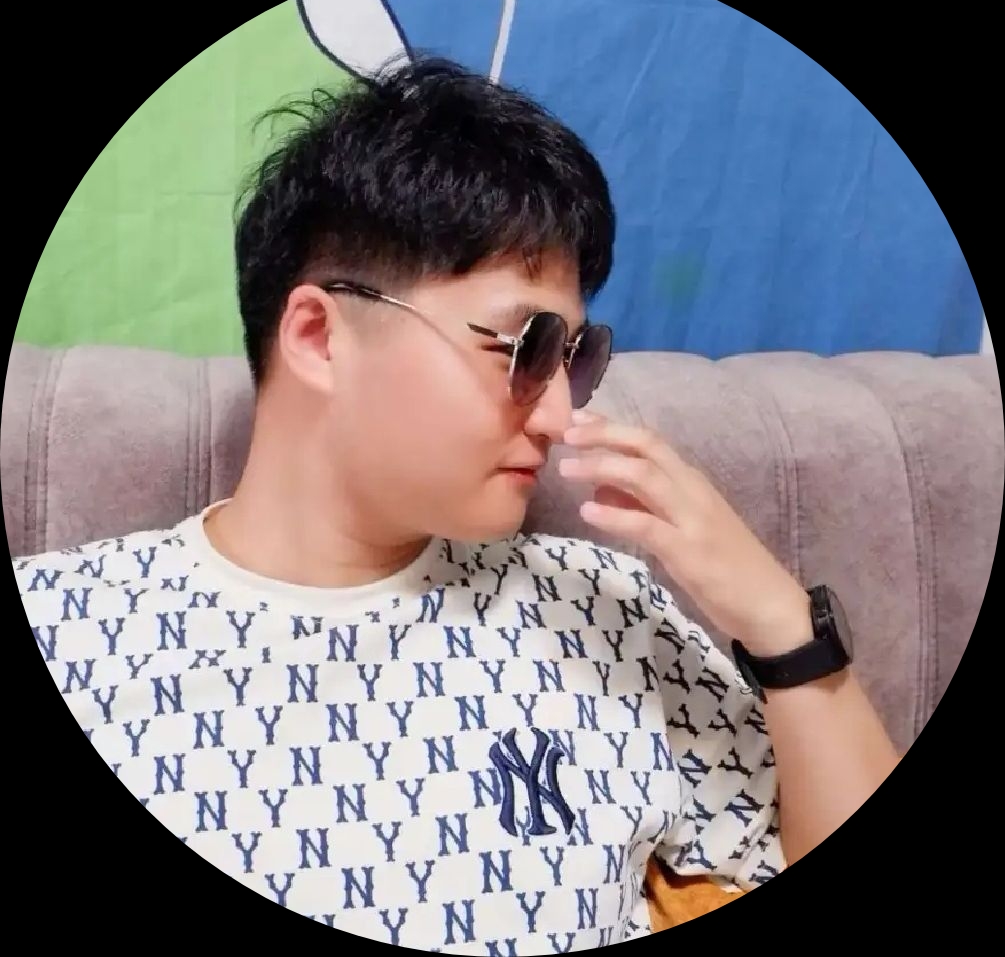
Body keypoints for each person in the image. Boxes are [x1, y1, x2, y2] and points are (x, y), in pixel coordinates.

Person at [17, 55, 899, 950]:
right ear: (319, 337)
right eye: (523, 347)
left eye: (574, 359)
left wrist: (781, 624)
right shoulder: (66, 627)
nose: (557, 416)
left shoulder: (603, 607)